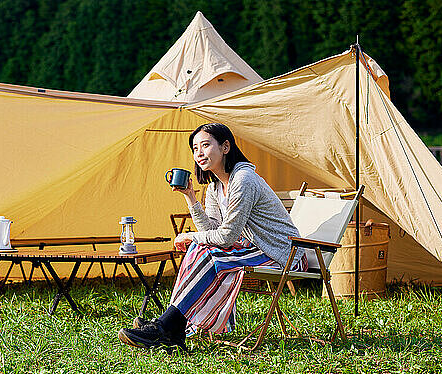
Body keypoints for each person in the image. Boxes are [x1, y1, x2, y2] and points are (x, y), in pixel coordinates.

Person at [117, 123, 308, 351]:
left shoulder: (243, 180)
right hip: (255, 249)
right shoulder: (216, 187)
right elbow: (213, 228)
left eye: (205, 145)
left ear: (225, 146)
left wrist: (191, 235)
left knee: (206, 251)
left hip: (283, 253)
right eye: (195, 148)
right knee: (199, 248)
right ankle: (171, 326)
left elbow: (226, 237)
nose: (198, 153)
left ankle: (168, 326)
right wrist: (190, 198)